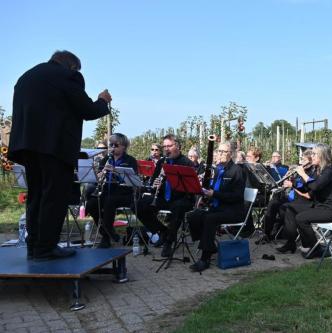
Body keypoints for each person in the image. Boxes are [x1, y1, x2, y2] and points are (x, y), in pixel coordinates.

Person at [8, 50, 111, 260]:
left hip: (27, 146)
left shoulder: (26, 77)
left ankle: (34, 246)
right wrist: (102, 101)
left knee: (36, 196)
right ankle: (46, 248)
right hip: (54, 147)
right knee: (54, 197)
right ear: (72, 66)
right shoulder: (68, 76)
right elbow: (87, 109)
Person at [187, 142, 246, 272]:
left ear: (231, 154)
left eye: (223, 152)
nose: (220, 154)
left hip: (233, 210)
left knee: (210, 219)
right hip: (218, 207)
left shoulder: (237, 171)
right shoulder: (218, 170)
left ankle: (205, 258)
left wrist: (215, 194)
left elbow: (236, 196)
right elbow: (214, 189)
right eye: (219, 151)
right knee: (194, 215)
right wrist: (204, 192)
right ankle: (209, 244)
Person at [136, 134, 195, 257]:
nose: (166, 149)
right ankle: (163, 231)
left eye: (169, 146)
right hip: (164, 197)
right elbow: (153, 183)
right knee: (139, 205)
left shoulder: (187, 163)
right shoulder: (162, 162)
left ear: (178, 146)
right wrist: (156, 184)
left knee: (178, 207)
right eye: (164, 147)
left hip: (182, 198)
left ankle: (169, 242)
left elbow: (190, 188)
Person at [278, 144, 332, 258]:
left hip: (329, 209)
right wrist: (294, 183)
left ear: (322, 155)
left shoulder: (329, 170)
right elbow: (307, 188)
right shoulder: (317, 169)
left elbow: (315, 186)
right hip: (318, 205)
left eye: (314, 154)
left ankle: (315, 248)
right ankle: (291, 243)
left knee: (301, 218)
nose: (312, 156)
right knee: (290, 208)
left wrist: (302, 174)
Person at [85, 133, 137, 248]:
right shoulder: (105, 160)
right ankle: (108, 231)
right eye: (110, 144)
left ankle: (106, 237)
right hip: (107, 192)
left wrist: (116, 172)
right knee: (91, 204)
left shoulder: (130, 160)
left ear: (123, 146)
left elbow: (133, 181)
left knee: (109, 201)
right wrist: (100, 174)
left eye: (115, 145)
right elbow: (97, 179)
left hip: (124, 194)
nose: (112, 147)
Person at [256, 149, 315, 244]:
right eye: (301, 159)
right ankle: (266, 234)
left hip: (301, 200)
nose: (301, 162)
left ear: (310, 161)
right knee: (273, 203)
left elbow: (308, 188)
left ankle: (283, 234)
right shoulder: (301, 170)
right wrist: (290, 178)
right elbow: (294, 184)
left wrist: (293, 184)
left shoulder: (311, 172)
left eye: (303, 160)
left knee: (284, 208)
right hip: (291, 197)